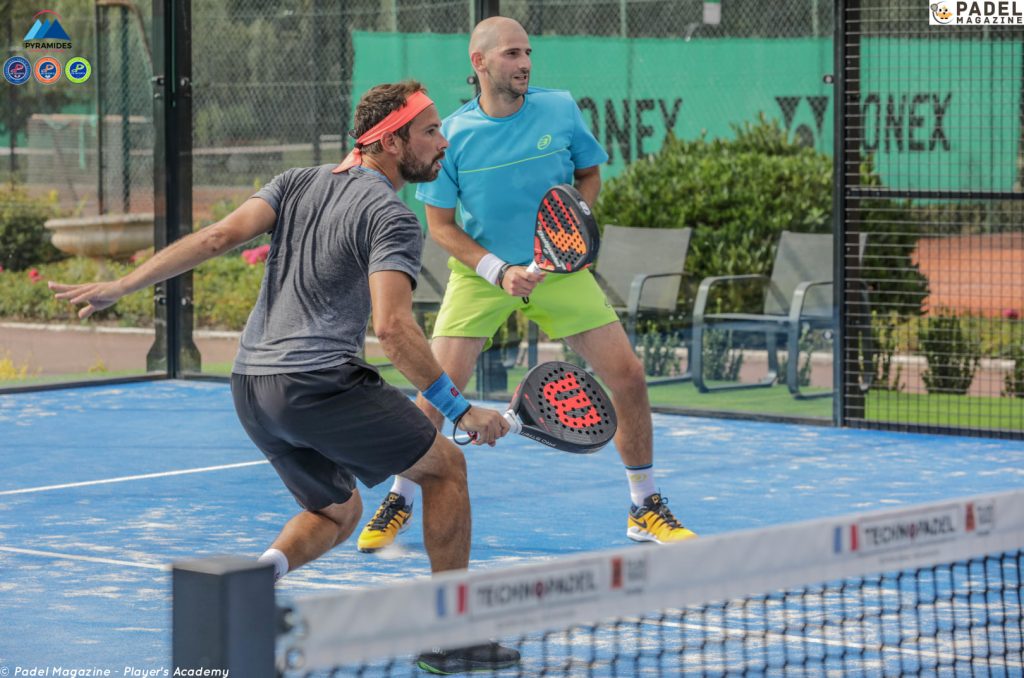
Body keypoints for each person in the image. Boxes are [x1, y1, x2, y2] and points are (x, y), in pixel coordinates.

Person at [50, 80, 520, 675]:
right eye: (429, 131)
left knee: (337, 511)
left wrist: (123, 285)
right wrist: (458, 409)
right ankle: (453, 637)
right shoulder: (391, 216)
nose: (442, 142)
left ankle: (252, 582)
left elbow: (217, 236)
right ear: (391, 141)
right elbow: (394, 328)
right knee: (446, 468)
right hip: (317, 381)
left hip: (250, 384)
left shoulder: (297, 180)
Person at [356, 18, 697, 554]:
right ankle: (400, 495)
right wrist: (497, 270)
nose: (525, 63)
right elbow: (441, 227)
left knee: (629, 376)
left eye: (528, 53)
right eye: (512, 54)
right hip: (481, 274)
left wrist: (568, 233)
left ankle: (644, 504)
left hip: (559, 271)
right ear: (480, 63)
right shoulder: (455, 135)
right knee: (434, 391)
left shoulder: (559, 108)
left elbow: (588, 176)